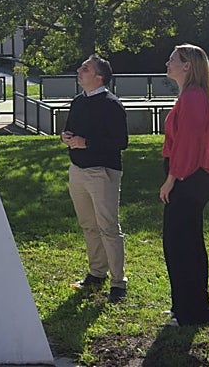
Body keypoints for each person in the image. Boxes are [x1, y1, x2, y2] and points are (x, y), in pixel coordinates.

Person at [61, 53, 129, 303]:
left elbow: (121, 142)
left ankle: (118, 283)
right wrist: (66, 137)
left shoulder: (111, 104)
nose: (79, 70)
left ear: (99, 77)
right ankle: (96, 273)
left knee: (108, 227)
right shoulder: (79, 102)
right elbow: (70, 129)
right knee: (89, 226)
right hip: (77, 170)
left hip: (102, 173)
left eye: (86, 69)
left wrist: (86, 143)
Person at [160, 43, 209, 327]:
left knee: (182, 245)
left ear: (187, 65)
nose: (168, 62)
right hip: (189, 178)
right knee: (183, 243)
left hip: (189, 179)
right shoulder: (190, 96)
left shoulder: (194, 98)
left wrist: (172, 179)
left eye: (173, 59)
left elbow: (187, 145)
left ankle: (191, 311)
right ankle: (186, 307)